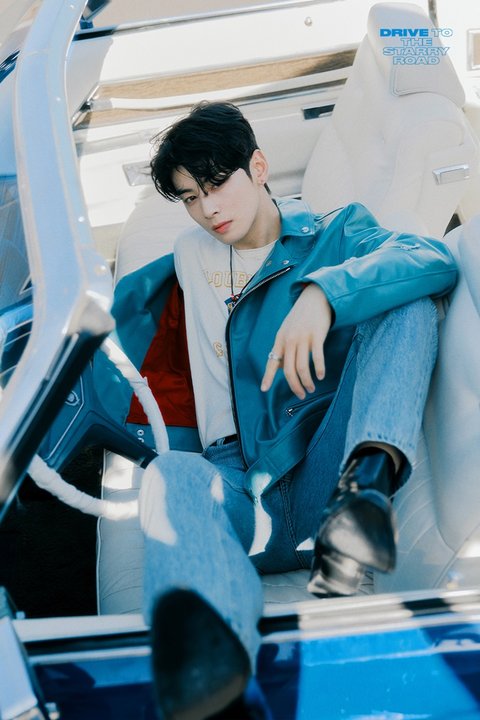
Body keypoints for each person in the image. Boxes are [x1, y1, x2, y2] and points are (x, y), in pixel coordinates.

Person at [110, 101, 457, 719]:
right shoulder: (193, 252)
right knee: (170, 472)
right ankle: (213, 681)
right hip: (245, 487)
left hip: (328, 471)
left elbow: (434, 258)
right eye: (190, 198)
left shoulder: (337, 233)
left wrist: (324, 295)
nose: (208, 209)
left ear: (260, 167)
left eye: (217, 184)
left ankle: (364, 499)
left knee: (406, 302)